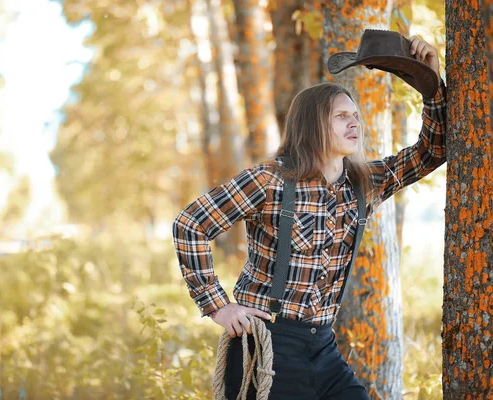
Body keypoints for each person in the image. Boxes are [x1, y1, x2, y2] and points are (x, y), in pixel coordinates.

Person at [172, 34, 445, 399]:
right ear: (313, 124)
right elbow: (190, 225)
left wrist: (432, 85)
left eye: (357, 117)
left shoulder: (364, 184)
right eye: (342, 116)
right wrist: (218, 306)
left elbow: (433, 150)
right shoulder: (269, 180)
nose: (355, 124)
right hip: (268, 345)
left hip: (324, 349)